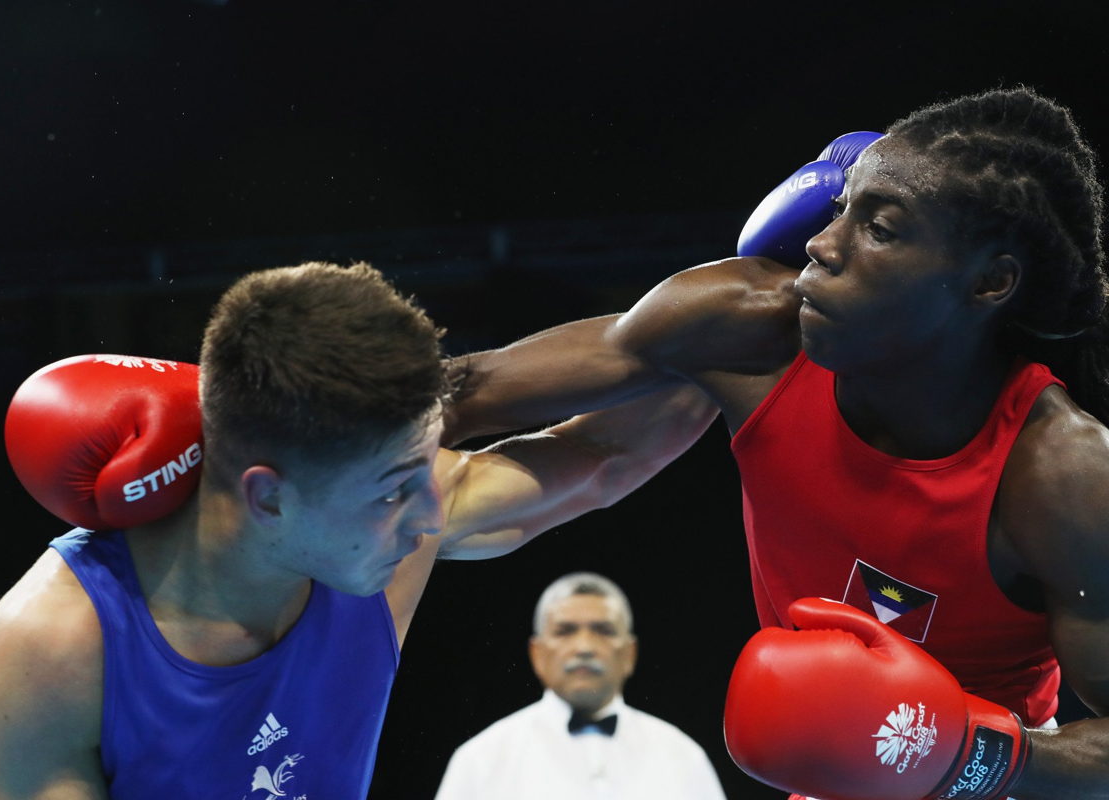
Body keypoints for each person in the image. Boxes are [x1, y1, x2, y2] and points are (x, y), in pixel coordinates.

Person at [441, 87, 1109, 799]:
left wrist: (963, 753)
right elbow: (464, 392)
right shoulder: (749, 328)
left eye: (879, 228)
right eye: (839, 209)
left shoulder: (1061, 473)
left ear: (990, 283)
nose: (823, 244)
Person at [0, 262, 719, 800]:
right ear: (269, 499)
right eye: (394, 489)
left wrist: (772, 301)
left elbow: (613, 454)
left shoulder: (384, 530)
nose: (430, 516)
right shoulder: (58, 644)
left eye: (425, 467)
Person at [434, 571, 727, 800]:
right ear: (537, 654)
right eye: (565, 631)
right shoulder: (482, 759)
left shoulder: (682, 756)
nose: (584, 647)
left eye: (603, 630)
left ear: (629, 654)